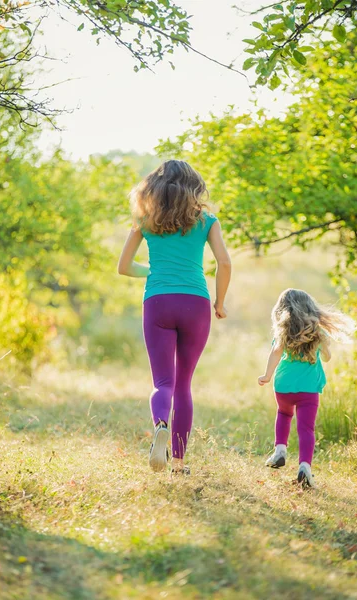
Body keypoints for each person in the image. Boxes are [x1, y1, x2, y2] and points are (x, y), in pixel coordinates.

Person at [118, 159, 231, 474]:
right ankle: (179, 463)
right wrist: (220, 303)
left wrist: (154, 270)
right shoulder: (207, 221)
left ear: (154, 188)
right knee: (183, 385)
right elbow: (225, 263)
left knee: (163, 382)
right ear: (194, 188)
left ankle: (160, 426)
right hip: (195, 303)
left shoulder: (145, 221)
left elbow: (123, 267)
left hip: (157, 302)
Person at [258, 288, 356, 487]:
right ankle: (304, 467)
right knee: (306, 429)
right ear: (309, 309)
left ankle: (280, 450)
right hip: (309, 389)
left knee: (284, 414)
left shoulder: (283, 332)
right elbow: (327, 357)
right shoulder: (316, 332)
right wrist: (324, 348)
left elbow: (275, 353)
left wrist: (267, 375)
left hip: (283, 387)